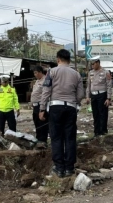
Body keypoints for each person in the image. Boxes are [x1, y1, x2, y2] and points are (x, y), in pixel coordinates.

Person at [39, 49, 84, 178]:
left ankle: (59, 168)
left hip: (55, 108)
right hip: (70, 108)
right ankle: (69, 168)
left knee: (56, 137)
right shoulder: (76, 74)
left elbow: (46, 91)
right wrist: (73, 101)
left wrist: (42, 109)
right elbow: (80, 94)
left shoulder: (51, 72)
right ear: (69, 60)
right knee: (70, 138)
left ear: (58, 59)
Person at [85, 56, 112, 137]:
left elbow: (109, 86)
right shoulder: (90, 73)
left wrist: (108, 98)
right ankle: (96, 132)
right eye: (91, 64)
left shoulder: (105, 72)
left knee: (102, 113)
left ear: (98, 63)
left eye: (93, 64)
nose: (92, 66)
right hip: (94, 95)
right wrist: (87, 96)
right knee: (95, 114)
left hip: (102, 95)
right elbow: (88, 85)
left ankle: (103, 131)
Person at [30, 66, 48, 148]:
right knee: (37, 123)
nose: (35, 75)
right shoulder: (37, 81)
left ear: (40, 72)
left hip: (41, 105)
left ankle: (43, 141)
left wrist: (42, 109)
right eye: (34, 73)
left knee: (42, 124)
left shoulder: (45, 80)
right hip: (35, 106)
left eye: (36, 73)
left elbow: (45, 94)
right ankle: (38, 140)